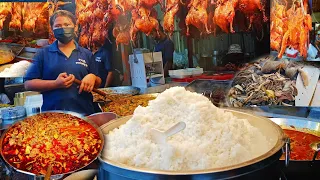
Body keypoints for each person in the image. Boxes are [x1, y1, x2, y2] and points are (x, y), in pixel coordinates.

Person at [24, 10, 101, 116]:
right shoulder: (42, 53)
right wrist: (55, 84)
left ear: (74, 27)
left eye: (67, 24)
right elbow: (28, 84)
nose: (63, 28)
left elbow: (98, 82)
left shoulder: (86, 54)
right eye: (58, 26)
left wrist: (92, 77)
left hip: (84, 114)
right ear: (52, 29)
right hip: (52, 116)